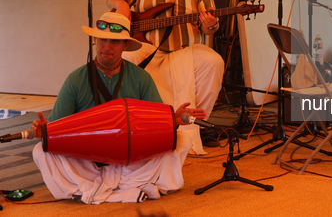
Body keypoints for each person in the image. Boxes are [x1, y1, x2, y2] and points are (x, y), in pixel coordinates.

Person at [31, 12, 206, 204]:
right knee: (40, 151)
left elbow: (156, 125)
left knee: (182, 140)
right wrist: (44, 131)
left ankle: (95, 191)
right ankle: (128, 190)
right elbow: (56, 128)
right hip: (89, 159)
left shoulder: (140, 77)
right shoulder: (76, 79)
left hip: (132, 158)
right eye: (102, 39)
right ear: (95, 40)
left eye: (114, 42)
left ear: (126, 45)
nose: (106, 47)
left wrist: (173, 120)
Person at [108, 0, 224, 155]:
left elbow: (210, 26)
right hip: (147, 47)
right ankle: (135, 125)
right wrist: (123, 7)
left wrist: (210, 24)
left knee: (214, 62)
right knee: (126, 58)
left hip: (185, 48)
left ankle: (199, 124)